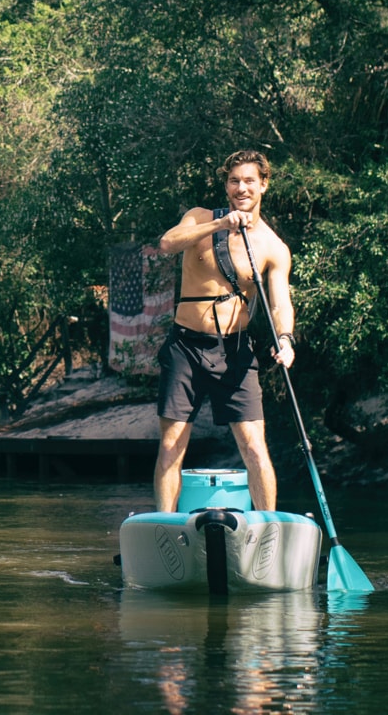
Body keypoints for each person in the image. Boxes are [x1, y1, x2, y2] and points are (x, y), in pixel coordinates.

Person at [154, 150, 296, 512]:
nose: (241, 188)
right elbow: (167, 244)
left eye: (249, 180)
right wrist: (220, 225)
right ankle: (165, 529)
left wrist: (285, 339)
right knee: (172, 444)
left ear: (263, 184)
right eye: (234, 181)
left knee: (253, 445)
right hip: (185, 347)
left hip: (235, 352)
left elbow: (280, 303)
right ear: (226, 186)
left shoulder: (273, 247)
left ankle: (267, 528)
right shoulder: (200, 217)